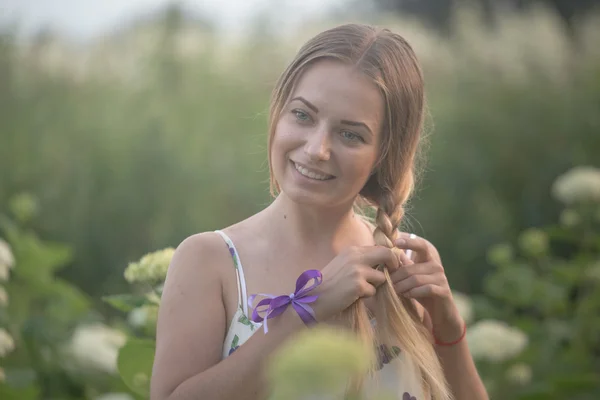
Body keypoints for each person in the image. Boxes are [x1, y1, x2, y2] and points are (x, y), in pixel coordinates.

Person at [150, 23, 488, 400]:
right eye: (303, 115)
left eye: (350, 134)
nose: (316, 149)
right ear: (278, 113)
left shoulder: (402, 269)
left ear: (383, 155)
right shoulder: (210, 261)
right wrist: (306, 311)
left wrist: (446, 323)